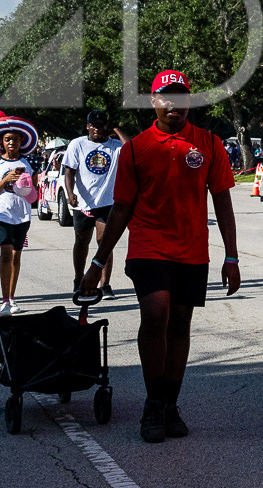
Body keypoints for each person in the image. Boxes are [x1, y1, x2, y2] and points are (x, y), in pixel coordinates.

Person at [80, 70, 239, 444]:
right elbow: (120, 209)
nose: (174, 105)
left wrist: (231, 257)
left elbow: (224, 203)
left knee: (179, 324)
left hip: (192, 248)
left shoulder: (209, 144)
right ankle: (153, 404)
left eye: (181, 97)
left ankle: (170, 404)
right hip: (149, 246)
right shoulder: (136, 148)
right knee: (156, 316)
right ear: (153, 102)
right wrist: (98, 263)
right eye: (166, 97)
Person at [64, 109, 123, 298]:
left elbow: (132, 148)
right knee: (82, 241)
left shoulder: (115, 146)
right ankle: (78, 278)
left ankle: (105, 284)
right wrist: (70, 192)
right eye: (94, 125)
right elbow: (69, 171)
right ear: (88, 126)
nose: (97, 128)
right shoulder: (77, 144)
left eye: (101, 125)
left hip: (107, 200)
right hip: (83, 201)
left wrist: (117, 130)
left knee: (104, 240)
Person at [0, 116, 38, 316]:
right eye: (7, 139)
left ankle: (13, 297)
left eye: (15, 139)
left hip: (22, 214)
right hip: (2, 212)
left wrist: (26, 186)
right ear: (2, 142)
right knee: (6, 253)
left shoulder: (31, 162)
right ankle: (4, 300)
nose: (11, 143)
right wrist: (6, 179)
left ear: (21, 142)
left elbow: (34, 194)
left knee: (16, 254)